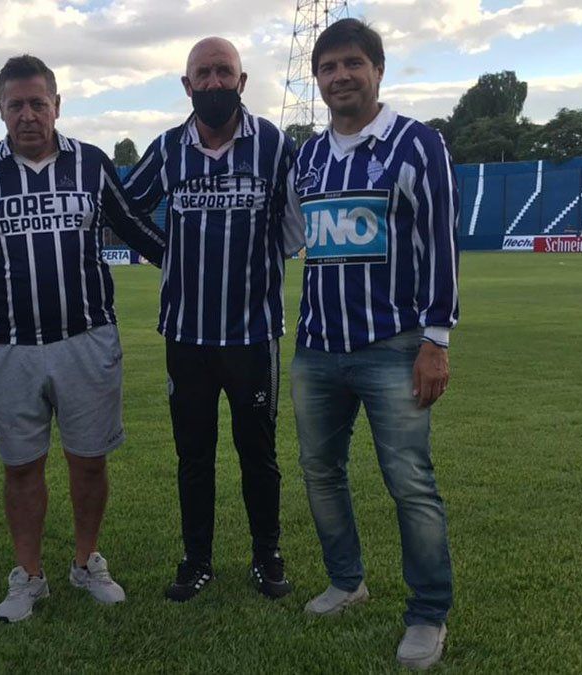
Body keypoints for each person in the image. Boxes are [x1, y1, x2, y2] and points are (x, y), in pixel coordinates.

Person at [0, 55, 165, 623]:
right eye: (15, 104)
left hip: (86, 339)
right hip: (8, 345)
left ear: (57, 106)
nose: (27, 114)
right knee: (21, 467)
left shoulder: (90, 163)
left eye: (37, 103)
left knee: (89, 461)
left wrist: (188, 260)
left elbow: (133, 226)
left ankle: (86, 561)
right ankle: (29, 575)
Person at [285, 19, 459, 670]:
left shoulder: (417, 143)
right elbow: (292, 239)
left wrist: (436, 339)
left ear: (378, 70)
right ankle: (346, 579)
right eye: (328, 67)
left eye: (352, 63)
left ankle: (428, 613)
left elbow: (442, 243)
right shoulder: (308, 156)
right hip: (317, 347)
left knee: (410, 482)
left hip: (394, 345)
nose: (340, 77)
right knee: (321, 472)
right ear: (317, 79)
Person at [123, 37, 299, 602]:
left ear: (242, 82)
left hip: (253, 334)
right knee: (193, 456)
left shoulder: (273, 144)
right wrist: (165, 251)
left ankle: (266, 555)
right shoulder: (168, 148)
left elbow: (294, 224)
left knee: (259, 453)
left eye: (225, 72)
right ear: (187, 85)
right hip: (187, 334)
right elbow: (123, 209)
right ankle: (196, 559)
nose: (215, 82)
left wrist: (266, 256)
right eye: (204, 73)